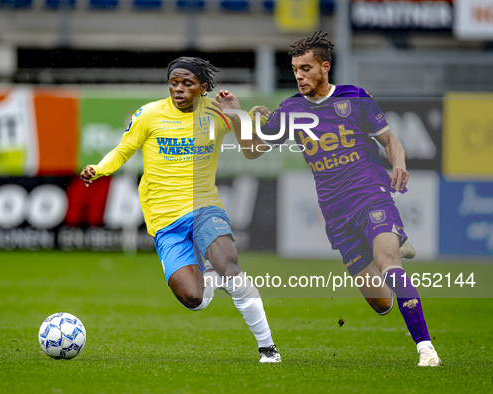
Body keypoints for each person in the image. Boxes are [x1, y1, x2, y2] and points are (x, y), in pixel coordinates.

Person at [216, 31, 440, 366]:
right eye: (295, 69)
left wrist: (400, 163)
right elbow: (251, 150)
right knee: (381, 303)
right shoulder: (291, 109)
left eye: (306, 68)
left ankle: (425, 347)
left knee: (389, 263)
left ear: (325, 66)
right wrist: (236, 116)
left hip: (370, 195)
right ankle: (393, 244)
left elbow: (390, 140)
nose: (299, 75)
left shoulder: (355, 98)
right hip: (335, 214)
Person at [79, 57, 281, 363]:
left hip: (204, 207)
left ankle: (268, 347)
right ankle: (209, 276)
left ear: (203, 87)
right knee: (193, 299)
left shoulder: (215, 112)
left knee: (231, 268)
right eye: (174, 82)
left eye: (187, 83)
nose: (179, 89)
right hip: (165, 220)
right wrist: (99, 168)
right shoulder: (149, 114)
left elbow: (252, 147)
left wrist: (244, 113)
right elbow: (123, 150)